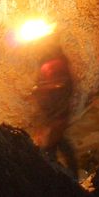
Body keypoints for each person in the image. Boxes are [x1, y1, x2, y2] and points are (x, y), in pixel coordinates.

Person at [31, 43, 77, 175]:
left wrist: (44, 88)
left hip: (59, 112)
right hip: (52, 113)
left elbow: (63, 84)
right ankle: (68, 175)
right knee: (59, 142)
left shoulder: (57, 66)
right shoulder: (51, 66)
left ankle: (59, 174)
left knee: (54, 144)